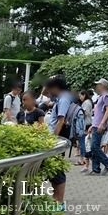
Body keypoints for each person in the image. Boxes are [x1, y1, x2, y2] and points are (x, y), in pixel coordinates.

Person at [44, 75, 72, 206]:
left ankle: (59, 202)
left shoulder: (64, 98)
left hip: (57, 140)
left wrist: (53, 140)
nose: (49, 92)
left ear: (56, 87)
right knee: (54, 170)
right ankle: (57, 200)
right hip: (57, 139)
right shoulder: (61, 98)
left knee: (57, 171)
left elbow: (61, 121)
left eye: (50, 88)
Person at [89, 78, 108, 175]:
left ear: (103, 86)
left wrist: (102, 123)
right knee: (95, 147)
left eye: (98, 85)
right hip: (96, 124)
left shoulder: (106, 96)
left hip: (100, 125)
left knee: (94, 147)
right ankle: (96, 169)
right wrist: (93, 125)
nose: (96, 87)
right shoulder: (101, 96)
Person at [78, 90, 94, 171]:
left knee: (85, 144)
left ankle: (86, 162)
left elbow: (85, 113)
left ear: (84, 95)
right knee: (85, 143)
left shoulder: (87, 102)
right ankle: (86, 162)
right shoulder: (87, 102)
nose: (79, 97)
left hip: (87, 125)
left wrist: (78, 112)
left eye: (80, 96)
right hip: (86, 124)